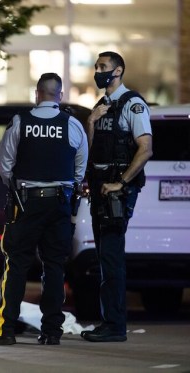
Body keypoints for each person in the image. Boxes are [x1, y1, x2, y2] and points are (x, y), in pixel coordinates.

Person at [0, 73, 88, 346]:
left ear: (37, 94)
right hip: (60, 202)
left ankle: (6, 330)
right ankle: (51, 331)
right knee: (55, 267)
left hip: (26, 202)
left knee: (16, 265)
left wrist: (20, 186)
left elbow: (5, 166)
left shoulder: (20, 122)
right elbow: (80, 168)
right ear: (59, 95)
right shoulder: (72, 124)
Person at [81, 51, 152, 343]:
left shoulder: (132, 104)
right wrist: (90, 123)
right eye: (96, 67)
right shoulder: (101, 105)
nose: (98, 71)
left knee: (111, 257)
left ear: (118, 71)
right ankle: (108, 321)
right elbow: (91, 149)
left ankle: (115, 325)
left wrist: (120, 183)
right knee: (104, 258)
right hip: (99, 190)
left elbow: (145, 148)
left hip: (117, 192)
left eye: (103, 67)